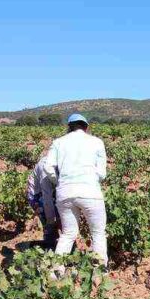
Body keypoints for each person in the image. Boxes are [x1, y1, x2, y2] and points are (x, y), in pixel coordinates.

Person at [44, 114, 109, 266]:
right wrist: (91, 180)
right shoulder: (97, 142)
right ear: (86, 127)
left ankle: (56, 272)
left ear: (69, 127)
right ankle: (99, 272)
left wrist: (59, 181)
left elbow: (48, 167)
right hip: (90, 193)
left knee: (68, 234)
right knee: (98, 234)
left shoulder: (58, 142)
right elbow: (102, 173)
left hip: (65, 193)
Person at [26, 153, 58, 249]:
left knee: (61, 216)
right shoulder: (45, 166)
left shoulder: (65, 162)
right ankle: (49, 247)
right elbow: (46, 198)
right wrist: (51, 221)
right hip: (36, 194)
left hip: (51, 192)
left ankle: (55, 243)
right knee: (49, 220)